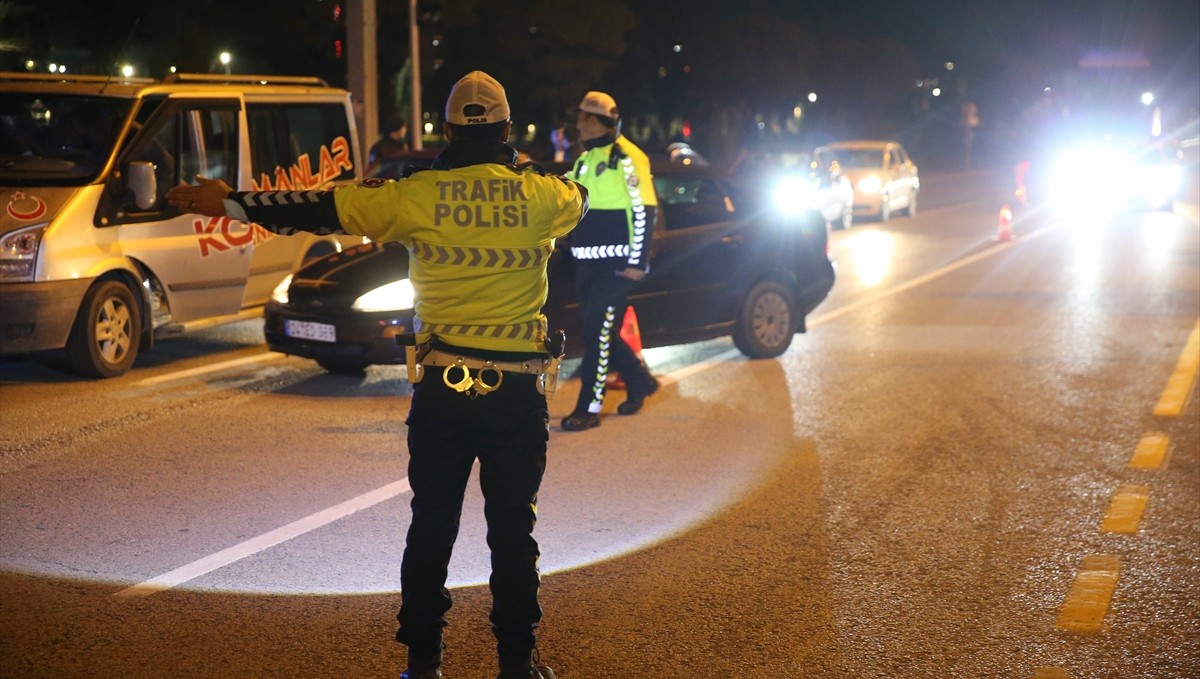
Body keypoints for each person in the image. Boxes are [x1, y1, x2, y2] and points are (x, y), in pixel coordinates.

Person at [167, 70, 586, 679]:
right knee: (513, 532)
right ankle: (517, 666)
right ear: (506, 128)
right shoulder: (543, 196)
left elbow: (318, 206)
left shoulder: (412, 195)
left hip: (442, 389)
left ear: (445, 129)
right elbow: (579, 192)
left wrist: (230, 201)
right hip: (515, 392)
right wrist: (517, 167)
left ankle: (422, 665)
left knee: (431, 527)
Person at [559, 90, 660, 432]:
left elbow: (645, 210)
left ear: (594, 121)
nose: (577, 124)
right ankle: (639, 380)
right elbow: (568, 202)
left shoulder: (629, 158)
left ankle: (589, 407)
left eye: (581, 118)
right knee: (600, 332)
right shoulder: (585, 160)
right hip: (586, 262)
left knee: (597, 335)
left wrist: (638, 260)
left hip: (617, 266)